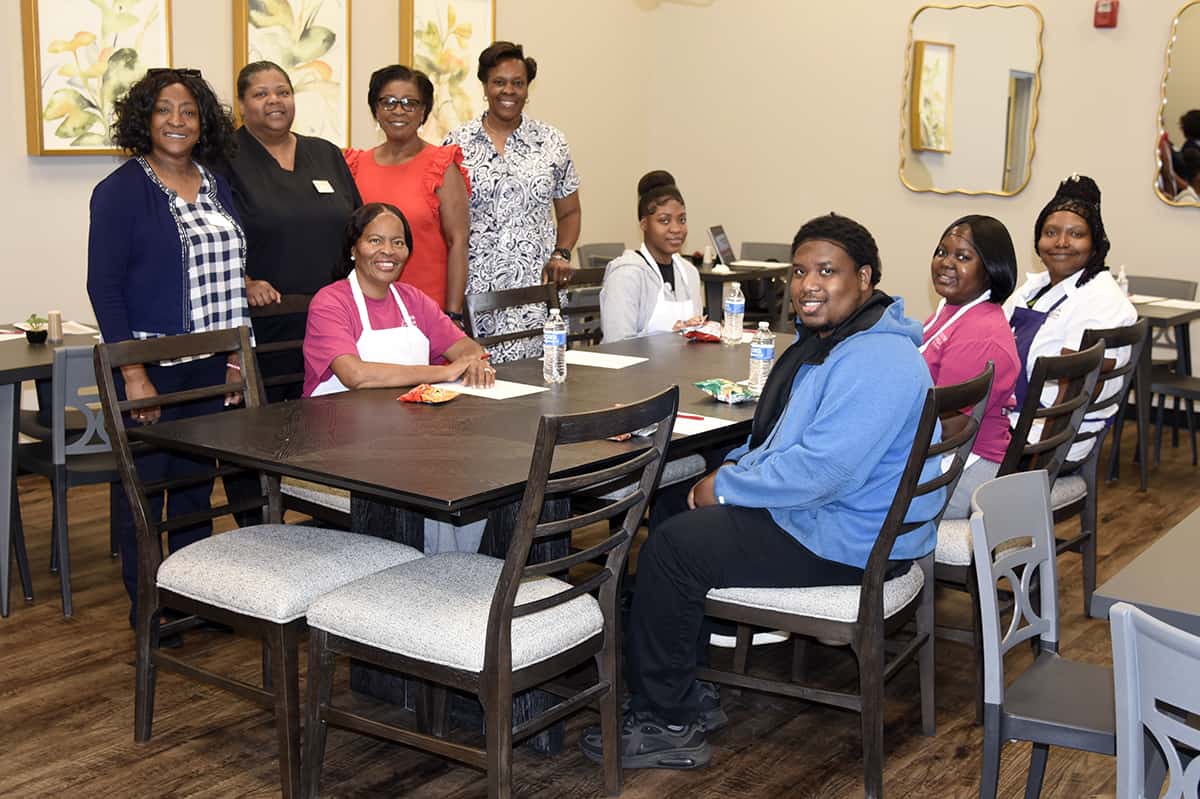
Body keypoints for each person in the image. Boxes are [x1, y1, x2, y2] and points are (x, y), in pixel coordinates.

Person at [582, 214, 945, 769]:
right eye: (800, 271)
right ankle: (685, 690)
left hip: (851, 539)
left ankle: (666, 720)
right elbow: (787, 443)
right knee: (674, 507)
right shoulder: (844, 341)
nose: (809, 285)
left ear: (865, 278)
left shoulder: (876, 359)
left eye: (828, 271)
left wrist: (727, 486)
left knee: (673, 548)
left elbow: (823, 472)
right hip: (844, 518)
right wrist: (730, 476)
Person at [87, 68, 248, 623]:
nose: (177, 121)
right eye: (164, 110)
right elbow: (103, 287)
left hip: (208, 362)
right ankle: (150, 607)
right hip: (150, 367)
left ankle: (194, 599)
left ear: (203, 122)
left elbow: (234, 273)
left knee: (193, 491)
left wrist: (233, 358)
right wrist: (134, 374)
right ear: (144, 119)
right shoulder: (121, 191)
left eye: (188, 111)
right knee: (146, 494)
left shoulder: (215, 182)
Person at [225, 60, 362, 403]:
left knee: (336, 421)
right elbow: (212, 238)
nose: (275, 100)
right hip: (267, 324)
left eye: (283, 92)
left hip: (334, 318)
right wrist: (245, 281)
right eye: (261, 94)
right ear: (242, 105)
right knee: (270, 430)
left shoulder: (325, 153)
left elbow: (357, 227)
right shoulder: (223, 157)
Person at [444, 41, 581, 361]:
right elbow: (446, 223)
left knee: (538, 384)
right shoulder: (456, 144)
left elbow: (570, 211)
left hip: (536, 291)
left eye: (518, 83)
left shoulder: (551, 141)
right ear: (485, 86)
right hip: (476, 289)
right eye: (499, 82)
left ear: (528, 88)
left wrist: (562, 253)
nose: (509, 90)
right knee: (479, 386)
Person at [1004, 174, 1137, 462]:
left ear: (1095, 243)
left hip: (1048, 439)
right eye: (1050, 232)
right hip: (1013, 421)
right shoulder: (1034, 287)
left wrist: (1038, 464)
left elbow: (1075, 386)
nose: (1061, 242)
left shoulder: (1103, 299)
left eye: (1076, 234)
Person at [303, 202, 494, 396]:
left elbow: (468, 349)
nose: (388, 250)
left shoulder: (414, 300)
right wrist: (445, 372)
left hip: (412, 418)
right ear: (353, 249)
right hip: (337, 419)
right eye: (375, 240)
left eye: (398, 242)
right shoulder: (330, 302)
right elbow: (355, 375)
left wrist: (475, 363)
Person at [345, 65, 470, 316]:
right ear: (376, 110)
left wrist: (453, 313)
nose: (399, 110)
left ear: (423, 111)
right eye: (389, 102)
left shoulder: (442, 165)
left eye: (409, 103)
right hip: (365, 310)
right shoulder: (354, 166)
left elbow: (458, 242)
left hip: (427, 310)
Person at [921, 215, 1021, 519]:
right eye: (941, 252)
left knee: (849, 499)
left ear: (990, 269)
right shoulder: (955, 310)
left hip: (963, 468)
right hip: (943, 451)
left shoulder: (980, 336)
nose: (946, 263)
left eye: (962, 256)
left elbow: (951, 428)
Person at [599, 170, 704, 341]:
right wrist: (670, 337)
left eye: (682, 220)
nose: (676, 229)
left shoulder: (689, 273)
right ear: (644, 224)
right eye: (664, 220)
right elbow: (617, 346)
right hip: (636, 367)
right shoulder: (626, 275)